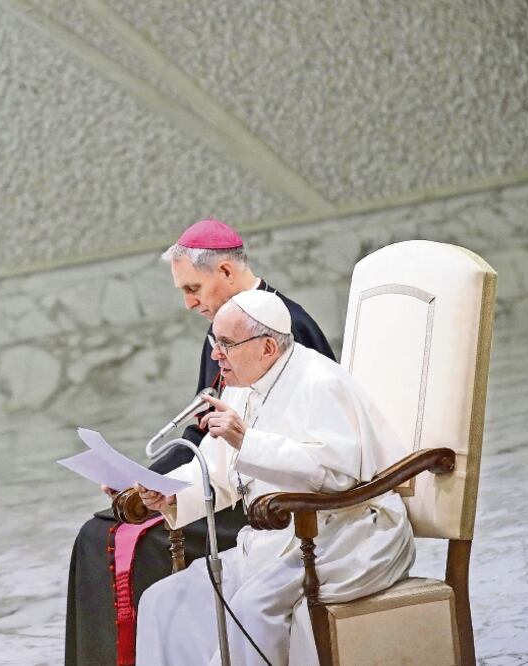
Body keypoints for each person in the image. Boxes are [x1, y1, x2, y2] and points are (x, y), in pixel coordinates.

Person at [65, 220, 335, 665]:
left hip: (265, 498)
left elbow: (304, 448)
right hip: (222, 477)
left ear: (226, 271)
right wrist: (144, 479)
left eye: (193, 288)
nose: (189, 303)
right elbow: (200, 429)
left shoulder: (283, 331)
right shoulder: (227, 328)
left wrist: (165, 488)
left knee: (115, 539)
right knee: (98, 530)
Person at [135, 290, 414, 665]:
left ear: (267, 348)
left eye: (227, 344)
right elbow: (219, 473)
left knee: (252, 608)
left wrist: (247, 441)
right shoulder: (240, 387)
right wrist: (170, 496)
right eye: (214, 342)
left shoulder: (319, 382)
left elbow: (334, 478)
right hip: (276, 543)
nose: (216, 354)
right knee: (163, 600)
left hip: (344, 534)